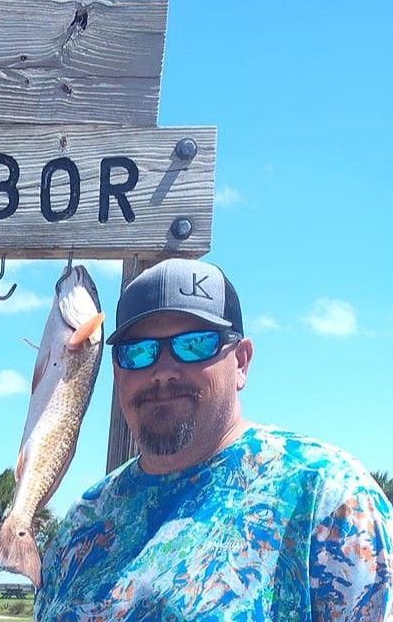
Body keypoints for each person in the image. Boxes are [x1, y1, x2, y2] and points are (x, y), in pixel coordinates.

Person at [36, 258, 393, 620]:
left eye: (195, 344)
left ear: (241, 362)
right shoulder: (82, 522)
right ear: (117, 371)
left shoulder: (327, 495)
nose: (162, 371)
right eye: (139, 352)